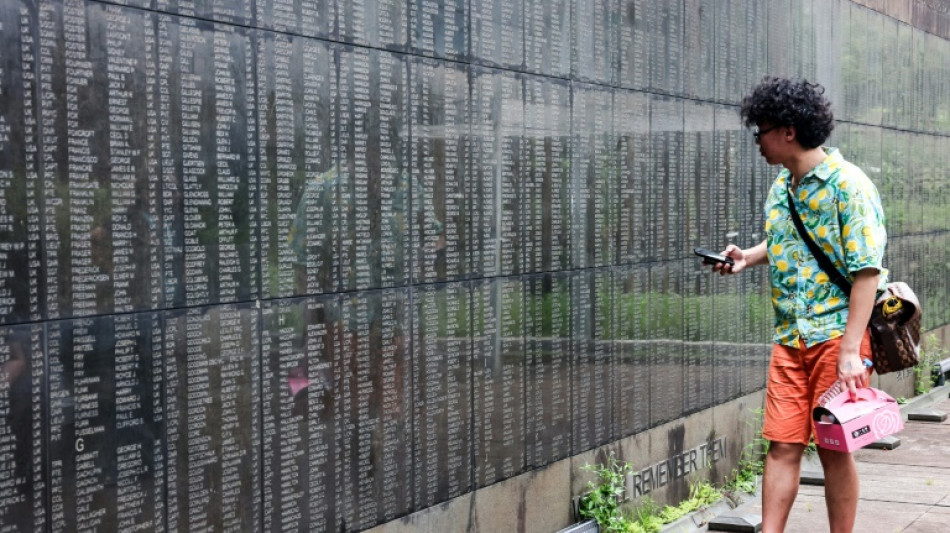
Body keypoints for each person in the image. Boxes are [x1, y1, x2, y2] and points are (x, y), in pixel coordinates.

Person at [711, 77, 888, 533]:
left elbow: (867, 272)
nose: (757, 141)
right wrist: (747, 257)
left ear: (788, 131)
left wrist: (850, 351)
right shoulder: (782, 188)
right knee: (782, 446)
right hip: (790, 339)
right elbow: (785, 242)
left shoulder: (849, 186)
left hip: (836, 339)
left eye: (762, 131)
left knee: (833, 448)